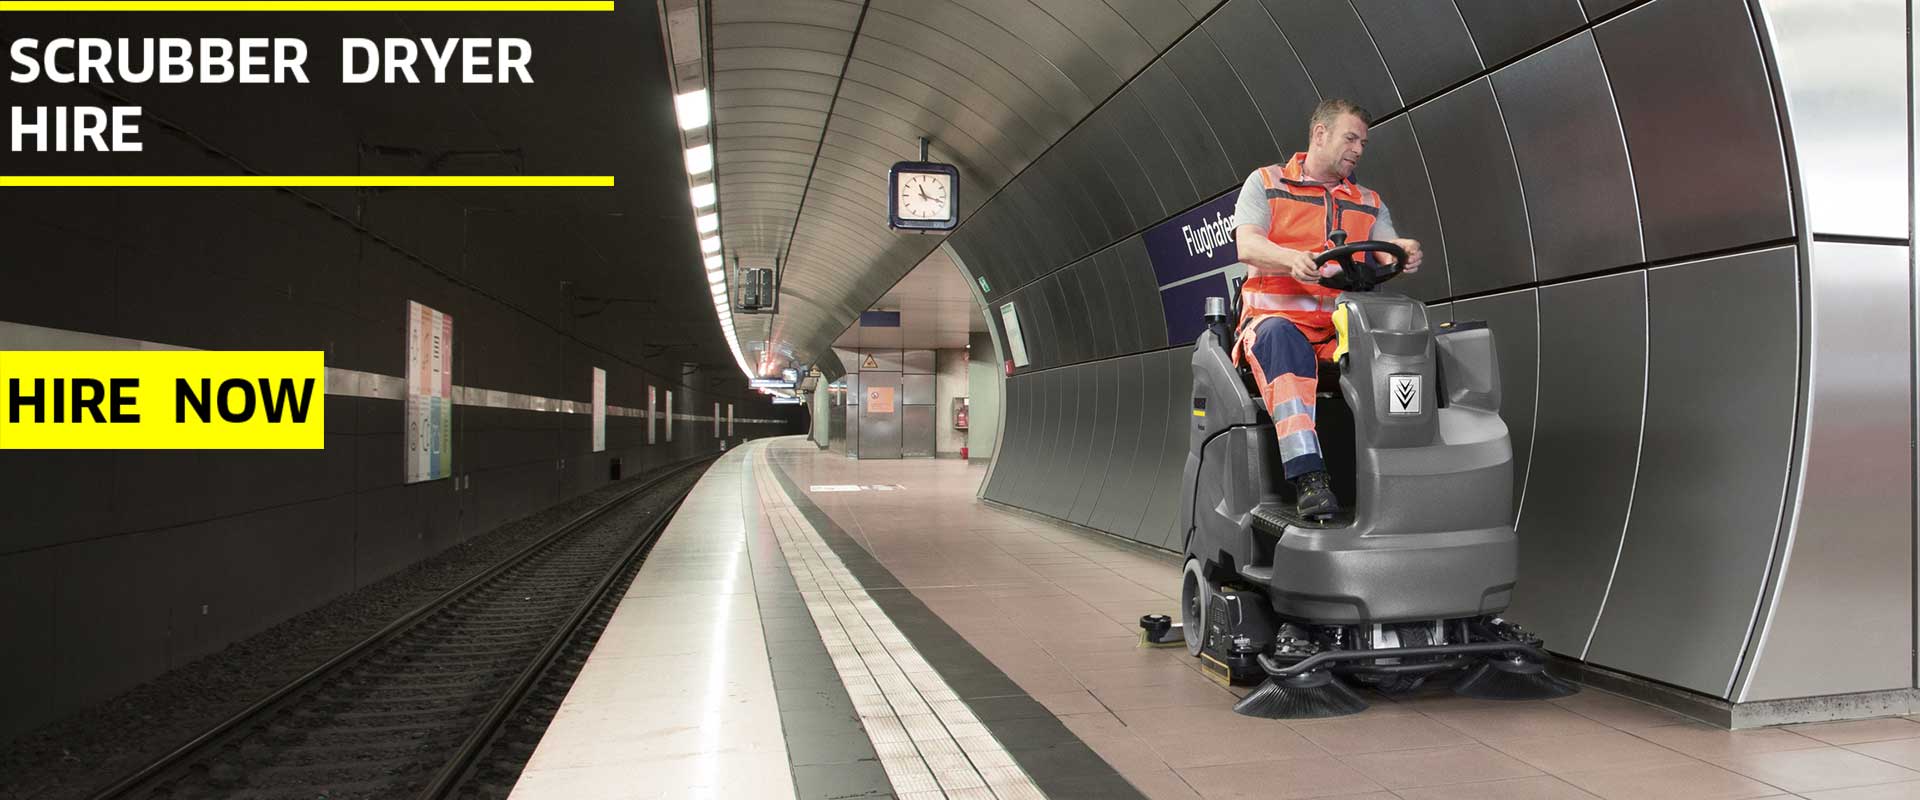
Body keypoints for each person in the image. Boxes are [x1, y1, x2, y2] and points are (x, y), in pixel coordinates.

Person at [1232, 98, 1424, 519]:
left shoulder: (1368, 201)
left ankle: (1403, 475)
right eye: (1350, 138)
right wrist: (1290, 259)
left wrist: (1402, 253)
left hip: (1339, 330)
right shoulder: (1266, 183)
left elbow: (1388, 247)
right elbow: (1247, 243)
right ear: (1320, 134)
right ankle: (1308, 478)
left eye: (1363, 143)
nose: (1358, 149)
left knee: (1410, 343)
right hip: (1274, 325)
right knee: (1285, 342)